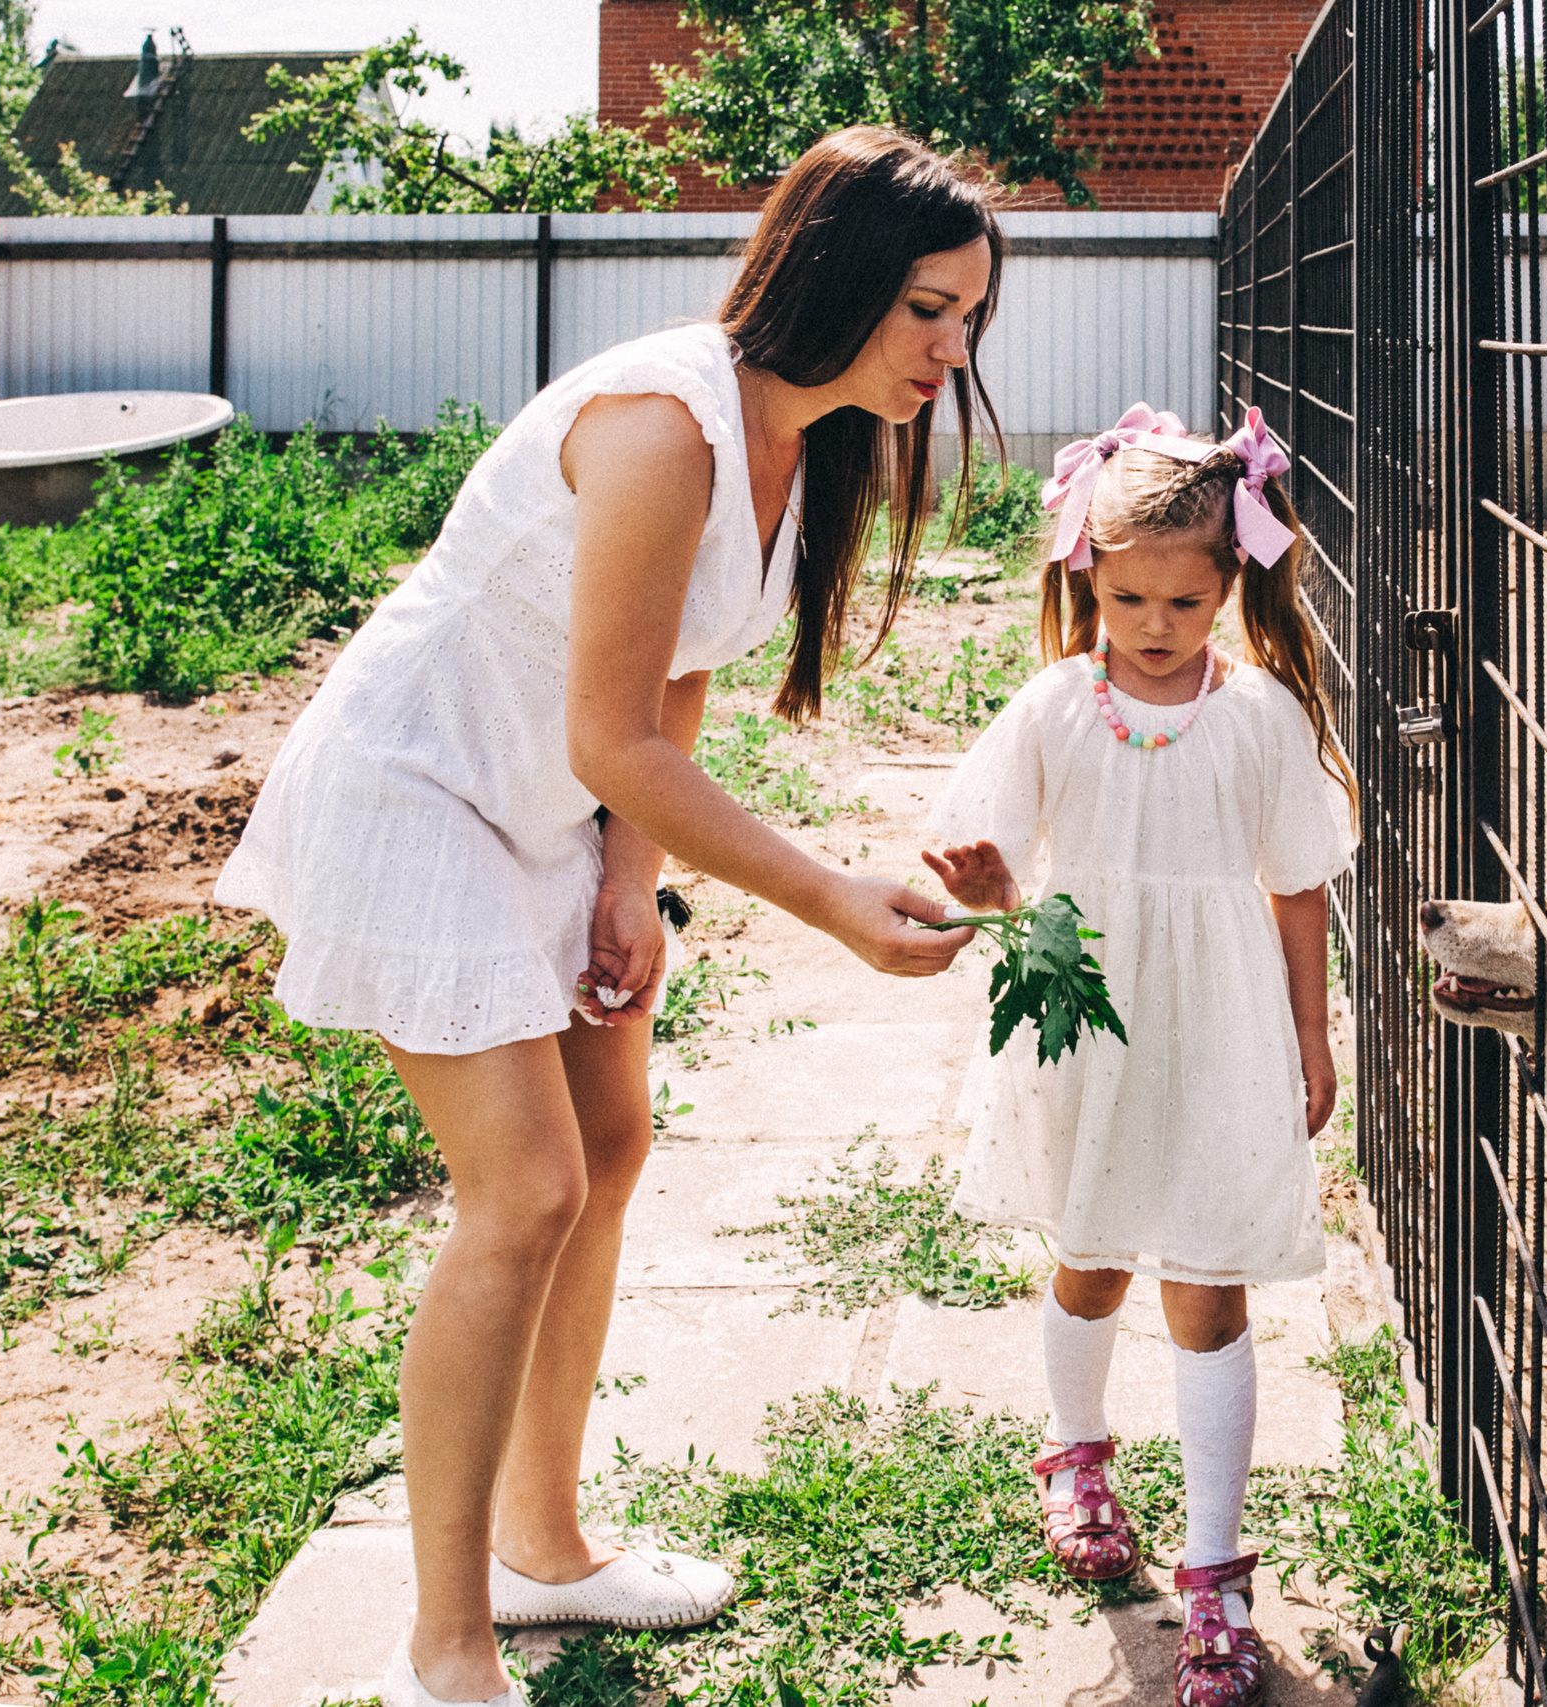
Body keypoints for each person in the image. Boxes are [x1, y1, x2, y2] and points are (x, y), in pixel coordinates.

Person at [214, 127, 998, 1707]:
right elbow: (610, 734)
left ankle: (544, 1550)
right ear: (835, 272)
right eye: (927, 306)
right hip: (416, 790)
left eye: (969, 319)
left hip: (547, 814)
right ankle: (444, 1646)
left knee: (612, 1153)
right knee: (519, 1197)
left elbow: (681, 656)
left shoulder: (804, 436)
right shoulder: (663, 421)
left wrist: (629, 880)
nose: (947, 349)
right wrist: (831, 903)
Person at [920, 402, 1357, 1707]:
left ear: (1231, 581)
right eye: (1128, 599)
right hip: (1090, 1034)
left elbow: (1296, 889)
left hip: (1223, 1034)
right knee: (1093, 1260)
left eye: (1183, 598)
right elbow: (986, 880)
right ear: (1088, 581)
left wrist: (1311, 1033)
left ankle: (1216, 1574)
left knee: (1211, 1289)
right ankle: (1077, 1454)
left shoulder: (1264, 718)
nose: (1156, 624)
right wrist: (989, 887)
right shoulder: (1055, 706)